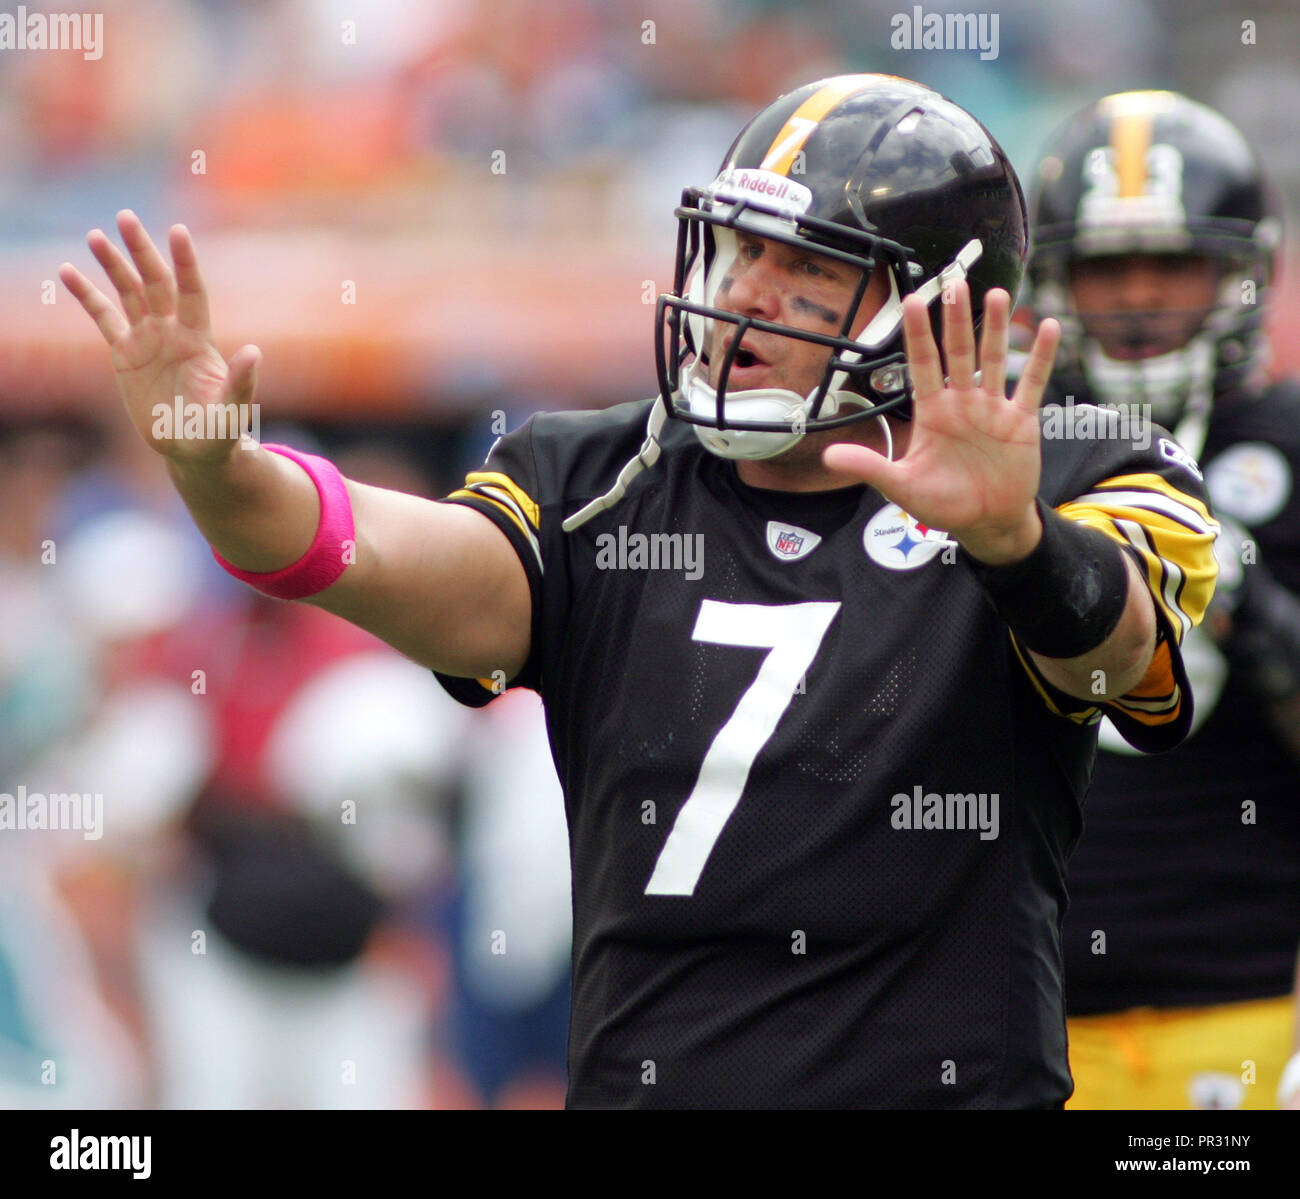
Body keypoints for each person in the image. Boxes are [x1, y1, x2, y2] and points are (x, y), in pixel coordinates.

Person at [60, 73, 1217, 1109]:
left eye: (805, 267)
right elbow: (390, 559)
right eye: (737, 250)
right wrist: (224, 472)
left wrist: (1011, 541)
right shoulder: (601, 481)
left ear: (931, 308)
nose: (746, 293)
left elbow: (1124, 670)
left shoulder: (1074, 465)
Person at [1025, 89, 1300, 1110]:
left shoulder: (1286, 441)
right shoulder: (1007, 455)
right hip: (1023, 1009)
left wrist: (1243, 602)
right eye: (1105, 268)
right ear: (1055, 281)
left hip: (1246, 1001)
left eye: (1170, 264)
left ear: (1234, 276)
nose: (1138, 296)